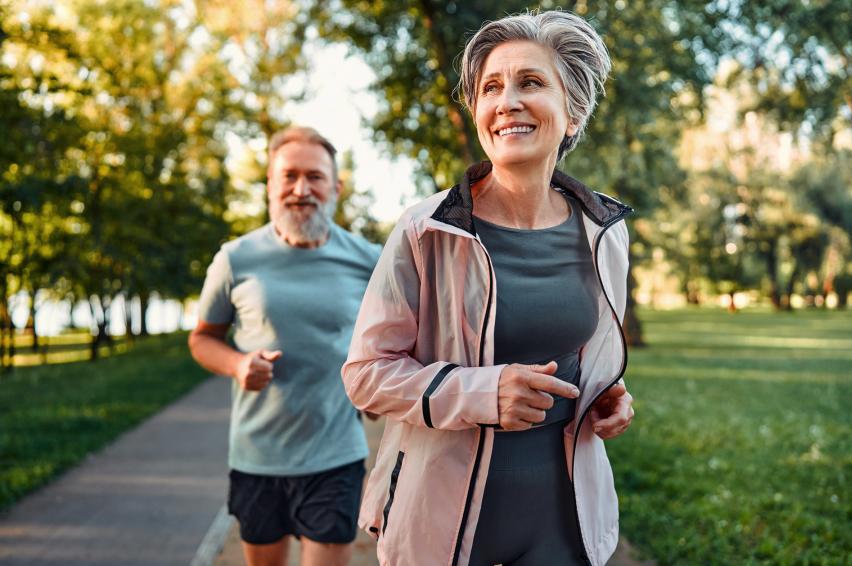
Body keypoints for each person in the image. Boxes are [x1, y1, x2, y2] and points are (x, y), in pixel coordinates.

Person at [342, 10, 635, 566]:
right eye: (491, 88)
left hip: (563, 519)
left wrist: (608, 393)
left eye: (531, 82)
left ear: (572, 113)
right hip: (440, 523)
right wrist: (482, 392)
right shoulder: (425, 230)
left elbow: (584, 351)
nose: (507, 101)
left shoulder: (604, 233)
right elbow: (365, 375)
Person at [188, 126, 380, 566]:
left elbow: (391, 339)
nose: (301, 189)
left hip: (336, 455)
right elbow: (202, 339)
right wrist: (237, 365)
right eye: (288, 176)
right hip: (258, 458)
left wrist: (378, 385)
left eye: (314, 176)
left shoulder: (370, 259)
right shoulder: (235, 259)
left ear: (336, 187)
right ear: (271, 186)